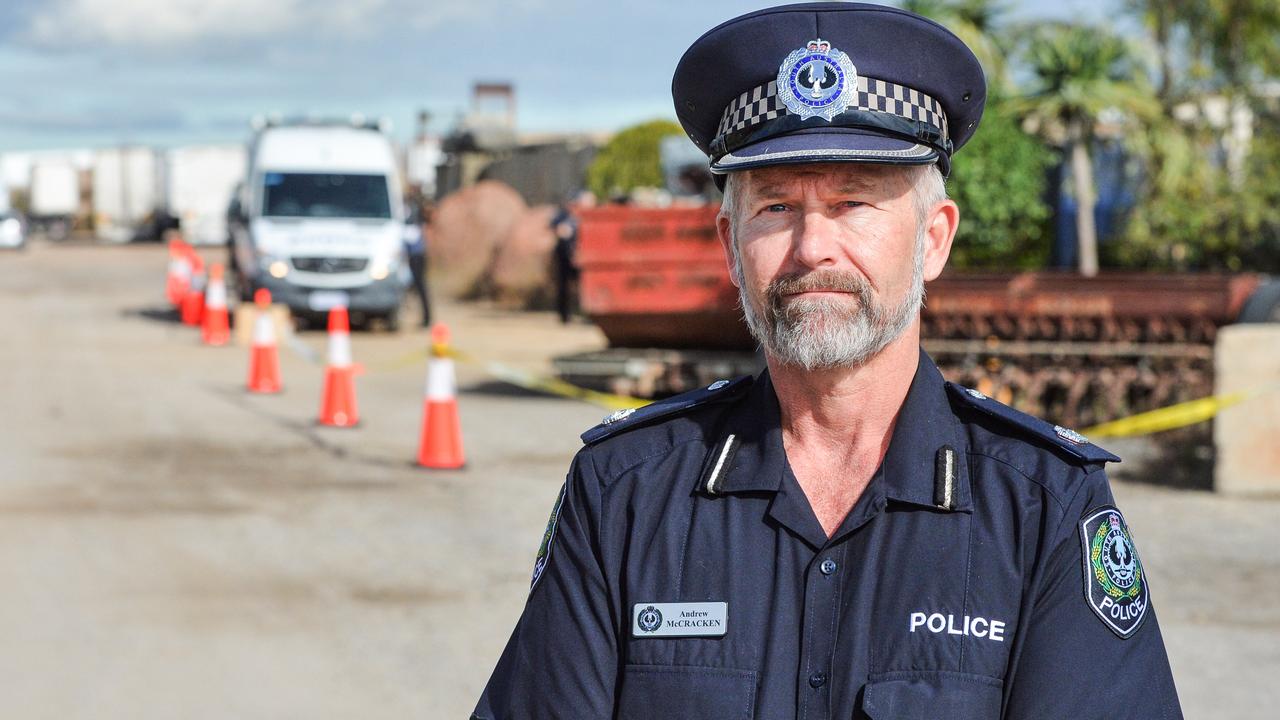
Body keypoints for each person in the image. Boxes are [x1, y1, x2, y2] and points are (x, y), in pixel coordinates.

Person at [473, 3, 1182, 719]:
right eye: (776, 207)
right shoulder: (624, 493)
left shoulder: (1042, 508)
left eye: (853, 203)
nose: (813, 248)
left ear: (932, 240)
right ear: (729, 244)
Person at [402, 203, 432, 328]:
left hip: (417, 257)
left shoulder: (412, 217)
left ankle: (426, 318)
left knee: (420, 288)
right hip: (413, 257)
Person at [550, 203, 579, 324]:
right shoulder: (563, 217)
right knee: (563, 288)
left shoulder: (583, 218)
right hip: (564, 258)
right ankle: (564, 315)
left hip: (580, 257)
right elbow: (553, 225)